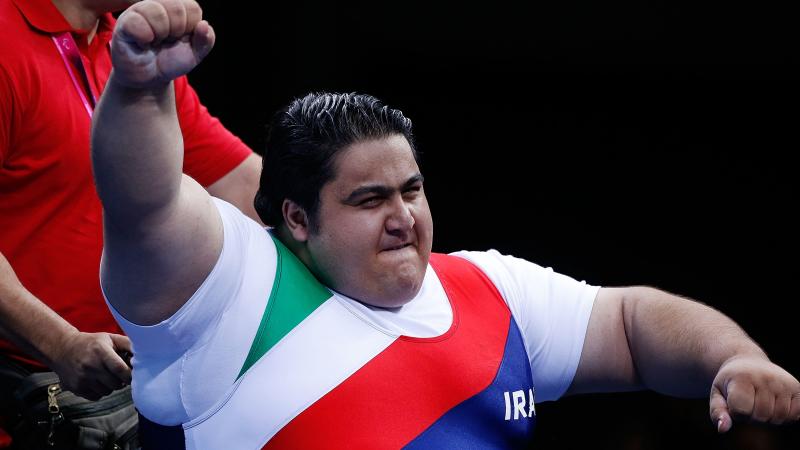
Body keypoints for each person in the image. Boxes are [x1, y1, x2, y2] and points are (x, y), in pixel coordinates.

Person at [91, 0, 800, 448]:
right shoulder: (231, 294)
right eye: (370, 200)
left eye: (412, 191)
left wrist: (731, 357)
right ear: (297, 219)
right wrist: (139, 89)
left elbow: (633, 323)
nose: (403, 218)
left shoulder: (489, 290)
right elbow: (143, 204)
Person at [0, 0, 262, 446]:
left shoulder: (125, 46)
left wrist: (345, 223)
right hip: (25, 398)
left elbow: (241, 183)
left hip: (125, 392)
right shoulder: (6, 45)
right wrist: (60, 343)